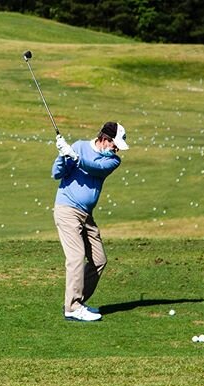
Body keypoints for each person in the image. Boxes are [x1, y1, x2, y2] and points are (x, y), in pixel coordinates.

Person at [51, 121, 129, 322]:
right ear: (105, 139)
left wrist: (75, 156)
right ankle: (73, 307)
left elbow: (95, 168)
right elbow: (57, 173)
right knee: (76, 257)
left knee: (99, 260)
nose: (117, 149)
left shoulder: (113, 161)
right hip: (67, 210)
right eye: (115, 144)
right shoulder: (78, 146)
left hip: (87, 216)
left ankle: (76, 302)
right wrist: (62, 155)